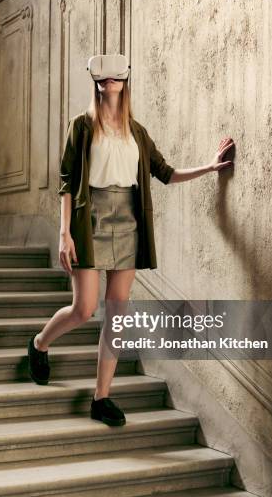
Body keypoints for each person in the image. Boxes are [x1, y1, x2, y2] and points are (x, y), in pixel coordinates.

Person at [28, 54, 235, 426]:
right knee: (84, 309)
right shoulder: (82, 126)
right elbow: (65, 180)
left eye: (115, 78)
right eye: (102, 79)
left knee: (118, 311)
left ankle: (102, 397)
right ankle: (40, 343)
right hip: (88, 219)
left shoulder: (136, 131)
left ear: (125, 83)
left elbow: (166, 173)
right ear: (96, 83)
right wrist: (63, 233)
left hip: (128, 221)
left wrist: (209, 166)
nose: (108, 83)